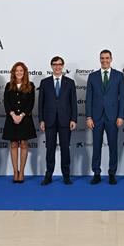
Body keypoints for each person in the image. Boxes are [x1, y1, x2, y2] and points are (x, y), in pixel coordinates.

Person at [86, 49, 124, 185]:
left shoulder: (119, 76)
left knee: (113, 146)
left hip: (113, 117)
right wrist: (88, 117)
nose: (105, 60)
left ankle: (112, 173)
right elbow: (88, 98)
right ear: (99, 59)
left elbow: (123, 98)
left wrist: (121, 116)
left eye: (107, 58)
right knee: (96, 146)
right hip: (96, 117)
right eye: (102, 58)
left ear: (111, 59)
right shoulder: (92, 76)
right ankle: (96, 173)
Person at [38, 56, 77, 185]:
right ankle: (48, 175)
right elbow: (40, 103)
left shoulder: (70, 82)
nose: (57, 66)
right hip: (49, 121)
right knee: (50, 149)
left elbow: (73, 103)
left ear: (63, 65)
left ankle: (66, 176)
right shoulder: (44, 82)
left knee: (65, 149)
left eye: (60, 64)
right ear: (51, 66)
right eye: (55, 64)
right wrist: (41, 120)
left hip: (65, 121)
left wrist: (74, 119)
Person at [2, 62, 37, 183]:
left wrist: (21, 115)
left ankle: (21, 171)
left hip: (25, 119)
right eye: (16, 71)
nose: (19, 72)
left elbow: (31, 103)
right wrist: (12, 114)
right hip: (11, 119)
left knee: (23, 144)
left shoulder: (30, 85)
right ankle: (14, 171)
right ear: (13, 72)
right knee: (13, 145)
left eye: (21, 70)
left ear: (25, 72)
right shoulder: (8, 85)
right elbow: (6, 102)